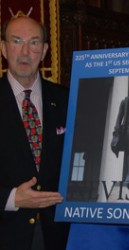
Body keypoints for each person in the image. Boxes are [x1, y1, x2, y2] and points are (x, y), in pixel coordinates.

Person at [0, 15, 69, 250]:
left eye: (34, 42)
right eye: (17, 41)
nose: (25, 51)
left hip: (58, 236)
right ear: (3, 48)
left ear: (45, 50)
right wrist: (10, 199)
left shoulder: (67, 99)